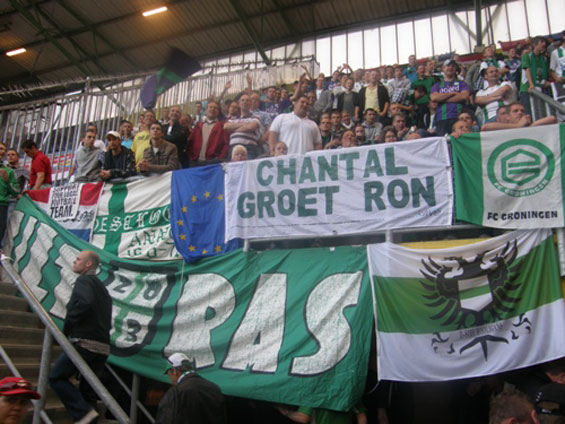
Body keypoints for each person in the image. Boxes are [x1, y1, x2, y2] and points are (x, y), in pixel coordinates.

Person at [49, 250, 112, 424]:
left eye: (78, 259)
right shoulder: (103, 289)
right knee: (88, 389)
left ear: (88, 264)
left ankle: (83, 413)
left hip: (85, 342)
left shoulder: (84, 281)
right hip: (102, 347)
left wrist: (66, 329)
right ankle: (89, 418)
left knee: (56, 377)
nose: (74, 262)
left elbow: (85, 302)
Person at [155, 352, 227, 424]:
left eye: (169, 374)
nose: (170, 379)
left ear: (174, 371)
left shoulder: (176, 392)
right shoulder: (214, 388)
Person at [430, 59, 471, 136]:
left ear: (455, 69)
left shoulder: (461, 83)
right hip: (441, 118)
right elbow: (434, 98)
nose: (450, 68)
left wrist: (442, 99)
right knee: (443, 141)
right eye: (448, 66)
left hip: (458, 117)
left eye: (453, 66)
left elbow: (464, 96)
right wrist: (453, 93)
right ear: (443, 69)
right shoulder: (437, 85)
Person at [187, 101, 229, 166]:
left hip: (213, 162)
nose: (212, 109)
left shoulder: (222, 126)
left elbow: (225, 144)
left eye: (215, 108)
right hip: (195, 162)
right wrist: (191, 157)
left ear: (218, 112)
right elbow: (190, 142)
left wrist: (220, 158)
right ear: (206, 110)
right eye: (210, 107)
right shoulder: (198, 126)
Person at [224, 94, 263, 160]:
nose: (245, 102)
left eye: (247, 100)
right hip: (233, 148)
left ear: (251, 104)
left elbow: (251, 127)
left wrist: (234, 129)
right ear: (239, 103)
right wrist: (245, 125)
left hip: (249, 148)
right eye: (242, 100)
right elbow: (226, 126)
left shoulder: (255, 117)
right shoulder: (233, 118)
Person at [0, 143, 19, 251]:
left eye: (4, 149)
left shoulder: (9, 172)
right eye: (0, 149)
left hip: (2, 205)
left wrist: (7, 181)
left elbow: (16, 192)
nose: (2, 151)